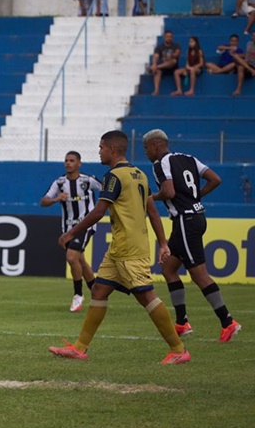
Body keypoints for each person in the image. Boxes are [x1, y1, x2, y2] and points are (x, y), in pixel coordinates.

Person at [49, 130, 189, 365]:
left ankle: (178, 349)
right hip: (120, 249)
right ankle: (80, 348)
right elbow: (153, 212)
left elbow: (98, 212)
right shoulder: (139, 174)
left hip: (128, 250)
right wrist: (162, 243)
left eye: (101, 147)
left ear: (112, 149)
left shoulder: (113, 177)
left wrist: (71, 232)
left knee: (147, 297)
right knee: (99, 291)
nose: (99, 151)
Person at [143, 130, 241, 343]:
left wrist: (150, 197)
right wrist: (196, 196)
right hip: (192, 218)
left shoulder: (160, 163)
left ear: (155, 145)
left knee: (199, 275)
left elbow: (168, 192)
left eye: (146, 148)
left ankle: (228, 322)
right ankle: (182, 322)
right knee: (168, 268)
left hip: (185, 220)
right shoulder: (189, 158)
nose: (146, 152)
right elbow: (215, 179)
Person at [40, 151, 101, 311]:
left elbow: (107, 191)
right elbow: (43, 201)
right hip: (67, 227)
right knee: (80, 260)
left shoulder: (87, 181)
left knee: (71, 257)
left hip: (85, 225)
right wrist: (55, 199)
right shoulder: (60, 183)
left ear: (79, 163)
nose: (68, 163)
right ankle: (97, 292)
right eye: (66, 160)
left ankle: (78, 295)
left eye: (72, 160)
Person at [147, 30, 180, 96]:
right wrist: (154, 64)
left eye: (170, 37)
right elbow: (156, 56)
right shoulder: (159, 47)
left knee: (173, 61)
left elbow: (177, 54)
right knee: (157, 71)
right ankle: (156, 90)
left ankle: (156, 67)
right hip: (163, 67)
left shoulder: (176, 46)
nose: (169, 38)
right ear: (164, 37)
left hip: (172, 66)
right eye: (167, 36)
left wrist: (172, 55)